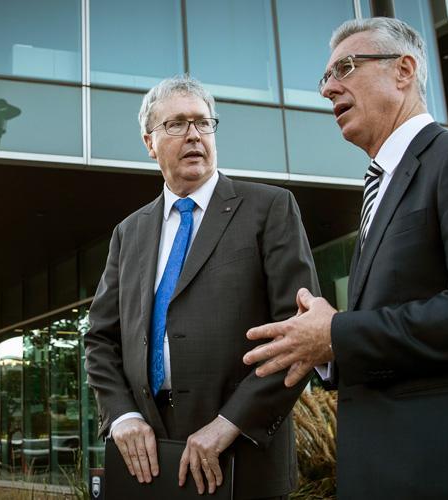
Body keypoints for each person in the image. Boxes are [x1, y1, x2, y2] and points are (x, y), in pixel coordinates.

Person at [242, 17, 448, 499]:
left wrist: (337, 334)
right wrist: (328, 348)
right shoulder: (379, 191)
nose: (329, 88)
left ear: (404, 70)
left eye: (345, 68)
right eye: (324, 78)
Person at [84, 75, 319, 499]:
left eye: (203, 122)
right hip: (148, 457)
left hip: (242, 457)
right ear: (149, 142)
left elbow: (298, 335)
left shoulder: (269, 208)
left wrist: (229, 423)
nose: (193, 134)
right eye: (176, 124)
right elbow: (101, 340)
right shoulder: (128, 232)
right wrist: (122, 417)